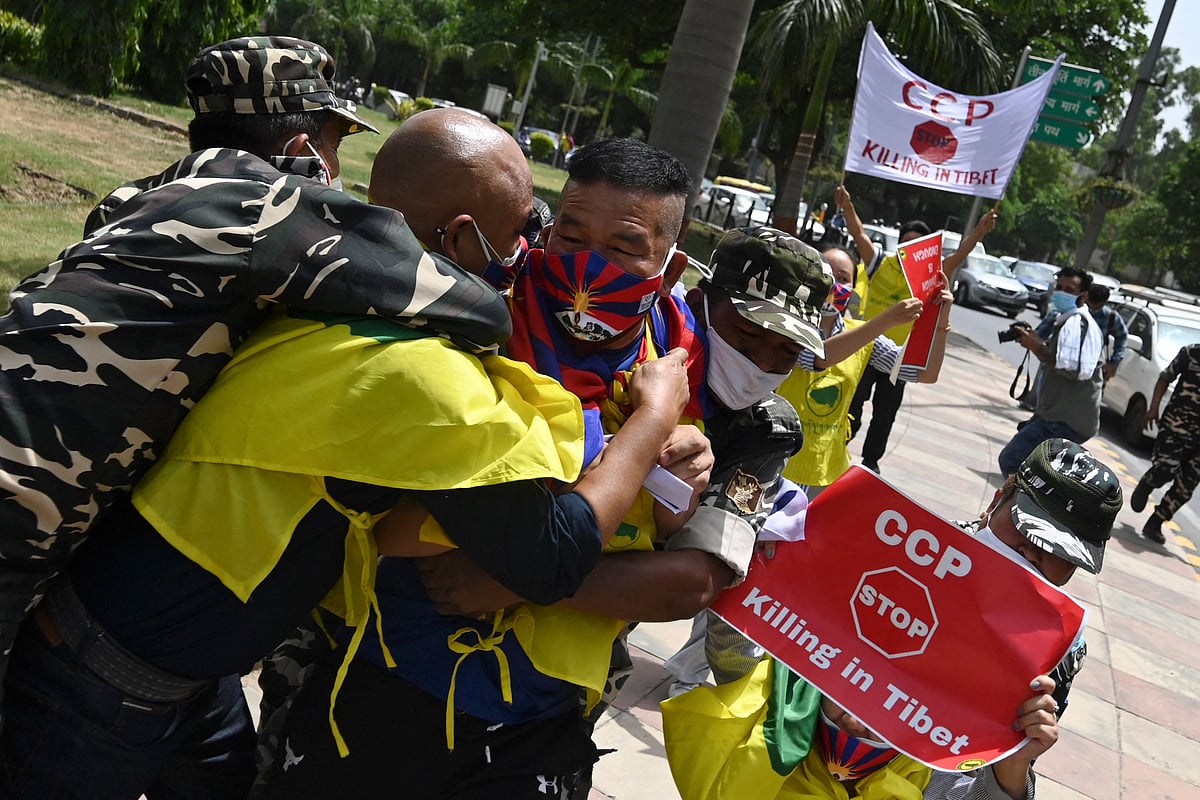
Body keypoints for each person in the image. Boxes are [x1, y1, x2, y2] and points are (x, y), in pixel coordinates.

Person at [0, 109, 692, 800]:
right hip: (104, 689)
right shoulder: (425, 376)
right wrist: (657, 414)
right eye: (524, 235)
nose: (532, 257)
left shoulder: (335, 297)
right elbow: (555, 555)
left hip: (174, 670)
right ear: (459, 237)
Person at [0, 35, 514, 721]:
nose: (336, 170)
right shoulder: (263, 208)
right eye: (334, 146)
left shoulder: (147, 195)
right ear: (301, 146)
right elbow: (469, 301)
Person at [663, 437, 1124, 800]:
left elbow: (967, 786)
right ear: (1000, 498)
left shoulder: (1051, 651)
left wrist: (1012, 774)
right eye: (1024, 533)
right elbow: (738, 662)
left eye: (1056, 556)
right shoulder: (890, 547)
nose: (1031, 557)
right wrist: (753, 571)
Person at [836, 186, 997, 472]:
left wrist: (979, 233)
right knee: (852, 403)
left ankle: (871, 463)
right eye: (906, 243)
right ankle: (839, 447)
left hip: (899, 358)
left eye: (918, 244)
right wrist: (847, 205)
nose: (911, 248)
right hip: (864, 348)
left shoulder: (929, 275)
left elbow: (960, 254)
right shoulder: (878, 263)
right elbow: (858, 233)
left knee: (885, 413)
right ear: (898, 245)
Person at [779, 245, 953, 499]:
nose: (834, 285)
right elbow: (819, 358)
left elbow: (925, 373)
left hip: (825, 470)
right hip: (777, 461)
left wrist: (941, 321)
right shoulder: (787, 323)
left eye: (843, 279)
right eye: (826, 275)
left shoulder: (864, 336)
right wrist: (885, 321)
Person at [997, 271, 1104, 476]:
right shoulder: (1066, 320)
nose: (1061, 293)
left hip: (1065, 421)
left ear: (1082, 296)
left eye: (1069, 290)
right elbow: (1060, 359)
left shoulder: (1078, 323)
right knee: (1034, 469)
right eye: (1060, 288)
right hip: (1055, 414)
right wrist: (1036, 342)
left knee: (1012, 460)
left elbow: (1073, 369)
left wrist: (1037, 347)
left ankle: (1018, 505)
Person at [1131, 342, 1200, 543]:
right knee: (1166, 469)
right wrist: (1153, 409)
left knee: (1185, 488)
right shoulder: (1191, 353)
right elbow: (1164, 378)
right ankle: (1148, 482)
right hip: (1175, 427)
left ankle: (1156, 522)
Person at [1081, 283, 1127, 382]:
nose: (1091, 309)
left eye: (1096, 307)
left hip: (1093, 368)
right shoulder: (1075, 310)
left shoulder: (1110, 317)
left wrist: (1114, 363)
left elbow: (1122, 337)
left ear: (1104, 302)